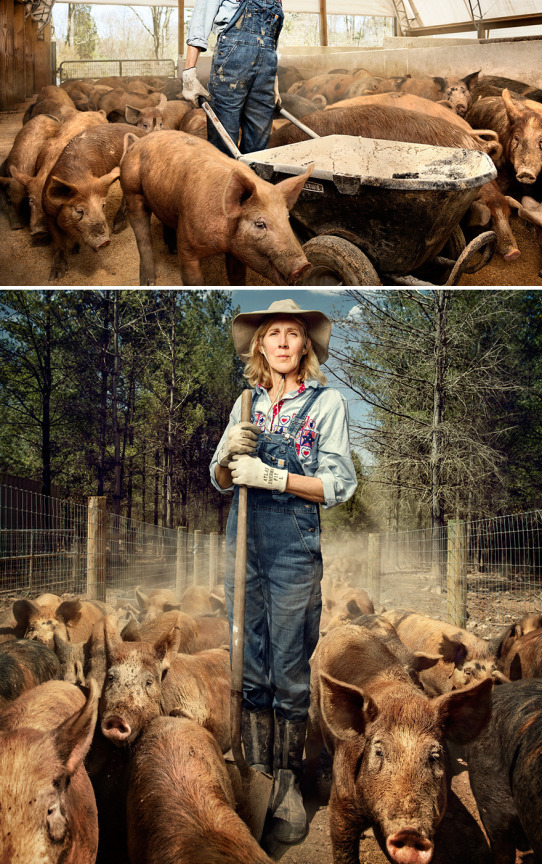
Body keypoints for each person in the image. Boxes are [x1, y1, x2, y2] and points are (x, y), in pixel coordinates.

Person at [210, 298, 357, 844]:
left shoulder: (326, 405)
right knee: (247, 661)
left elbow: (337, 485)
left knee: (288, 666)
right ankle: (258, 771)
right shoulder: (245, 403)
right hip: (243, 543)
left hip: (294, 545)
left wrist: (271, 476)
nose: (282, 342)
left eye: (293, 333)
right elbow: (222, 480)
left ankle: (290, 780)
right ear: (260, 345)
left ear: (305, 346)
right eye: (273, 332)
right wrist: (228, 454)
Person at [182, 0, 283, 156]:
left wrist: (275, 80)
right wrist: (189, 72)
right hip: (231, 67)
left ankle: (254, 193)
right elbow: (202, 18)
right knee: (223, 146)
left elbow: (273, 34)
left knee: (259, 149)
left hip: (265, 72)